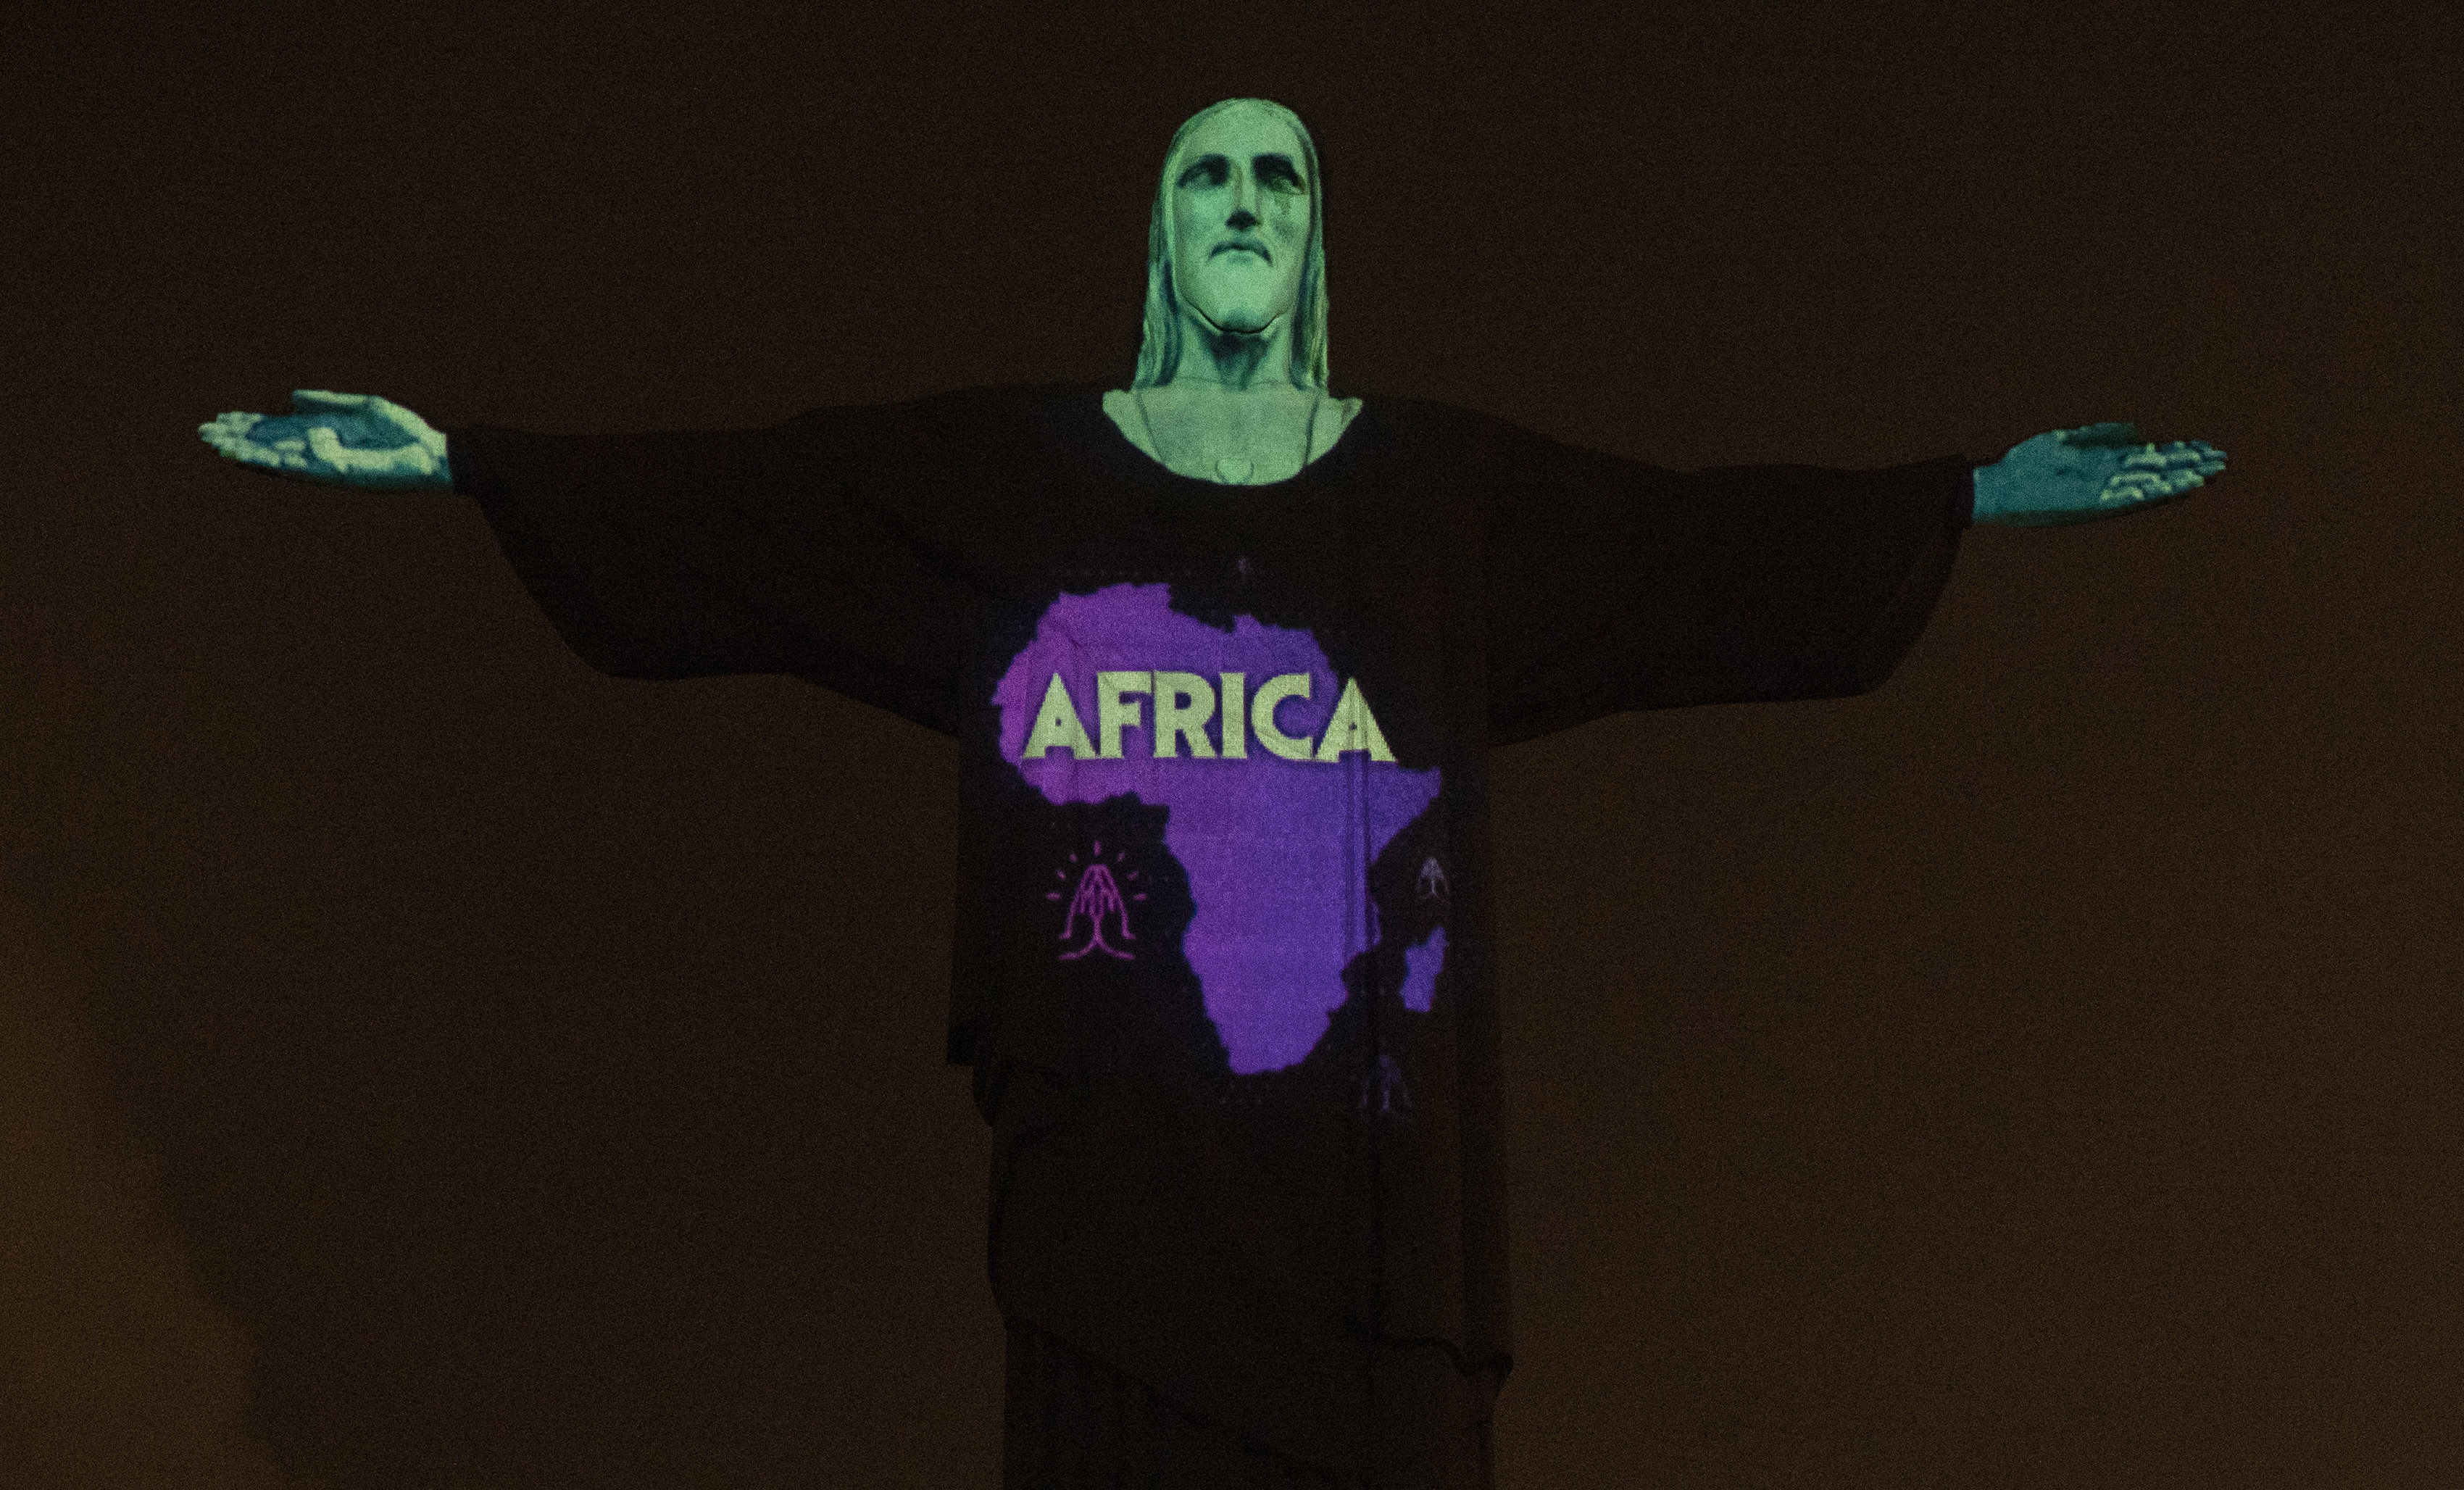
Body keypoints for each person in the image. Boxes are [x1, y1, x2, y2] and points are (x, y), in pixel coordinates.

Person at [199, 96, 2224, 1490]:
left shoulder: (1443, 504)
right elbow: (764, 505)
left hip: (1379, 1248)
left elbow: (1691, 550)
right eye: (1206, 178)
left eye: (1281, 175)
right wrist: (467, 456)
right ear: (1161, 235)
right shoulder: (1019, 487)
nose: (1245, 201)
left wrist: (1967, 495)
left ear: (1315, 231)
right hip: (1113, 1241)